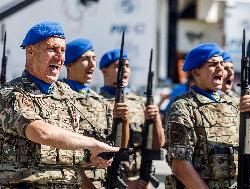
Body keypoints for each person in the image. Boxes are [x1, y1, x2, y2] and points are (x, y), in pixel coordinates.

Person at [0, 21, 117, 188]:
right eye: (52, 49)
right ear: (31, 52)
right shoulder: (11, 93)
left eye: (62, 50)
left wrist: (91, 157)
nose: (59, 56)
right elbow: (42, 133)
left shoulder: (66, 93)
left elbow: (70, 147)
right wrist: (93, 144)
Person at [164, 43, 250, 189]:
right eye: (213, 64)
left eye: (221, 64)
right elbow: (180, 166)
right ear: (196, 72)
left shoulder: (235, 104)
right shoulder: (183, 107)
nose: (221, 68)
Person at [63, 38, 129, 188]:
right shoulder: (59, 97)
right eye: (85, 59)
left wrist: (124, 121)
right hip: (70, 182)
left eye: (94, 58)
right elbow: (61, 153)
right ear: (69, 63)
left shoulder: (100, 102)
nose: (92, 64)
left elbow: (117, 148)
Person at [99, 49, 165, 189]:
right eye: (118, 66)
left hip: (139, 179)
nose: (125, 71)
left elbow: (156, 146)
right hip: (108, 179)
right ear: (104, 71)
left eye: (127, 66)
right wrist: (126, 184)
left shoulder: (141, 103)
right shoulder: (97, 103)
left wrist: (156, 119)